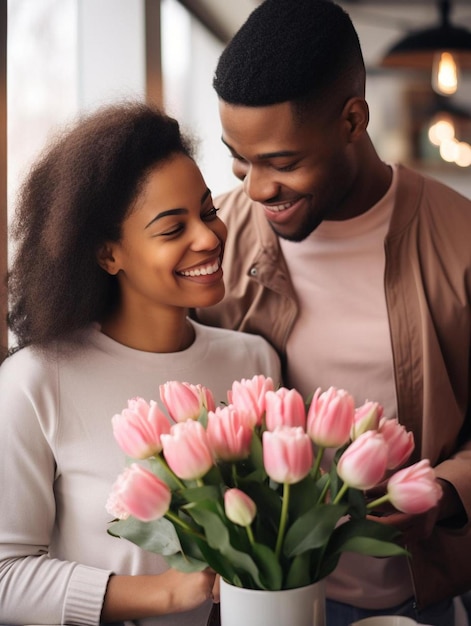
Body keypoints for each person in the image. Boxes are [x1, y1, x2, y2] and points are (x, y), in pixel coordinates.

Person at [193, 1, 471, 625]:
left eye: (283, 162)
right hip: (252, 601)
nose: (257, 188)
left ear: (352, 120)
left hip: (413, 598)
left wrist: (448, 490)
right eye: (241, 158)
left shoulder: (461, 242)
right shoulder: (215, 241)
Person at [0, 101, 280, 626]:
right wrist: (163, 594)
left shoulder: (253, 361)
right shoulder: (35, 381)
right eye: (173, 229)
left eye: (207, 211)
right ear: (109, 255)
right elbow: (4, 576)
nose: (209, 237)